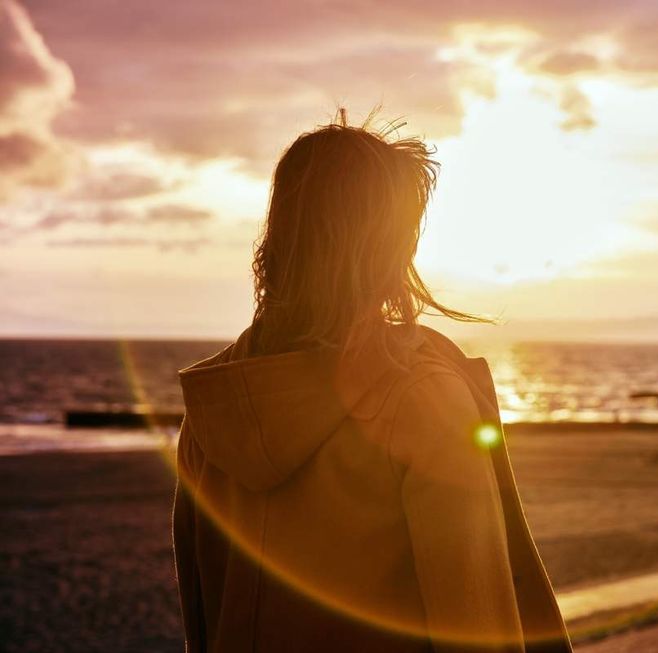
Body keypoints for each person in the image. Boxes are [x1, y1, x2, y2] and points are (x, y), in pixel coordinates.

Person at [172, 111, 572, 652]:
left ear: (281, 237)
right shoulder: (420, 397)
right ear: (392, 247)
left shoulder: (218, 403)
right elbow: (476, 623)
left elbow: (202, 613)